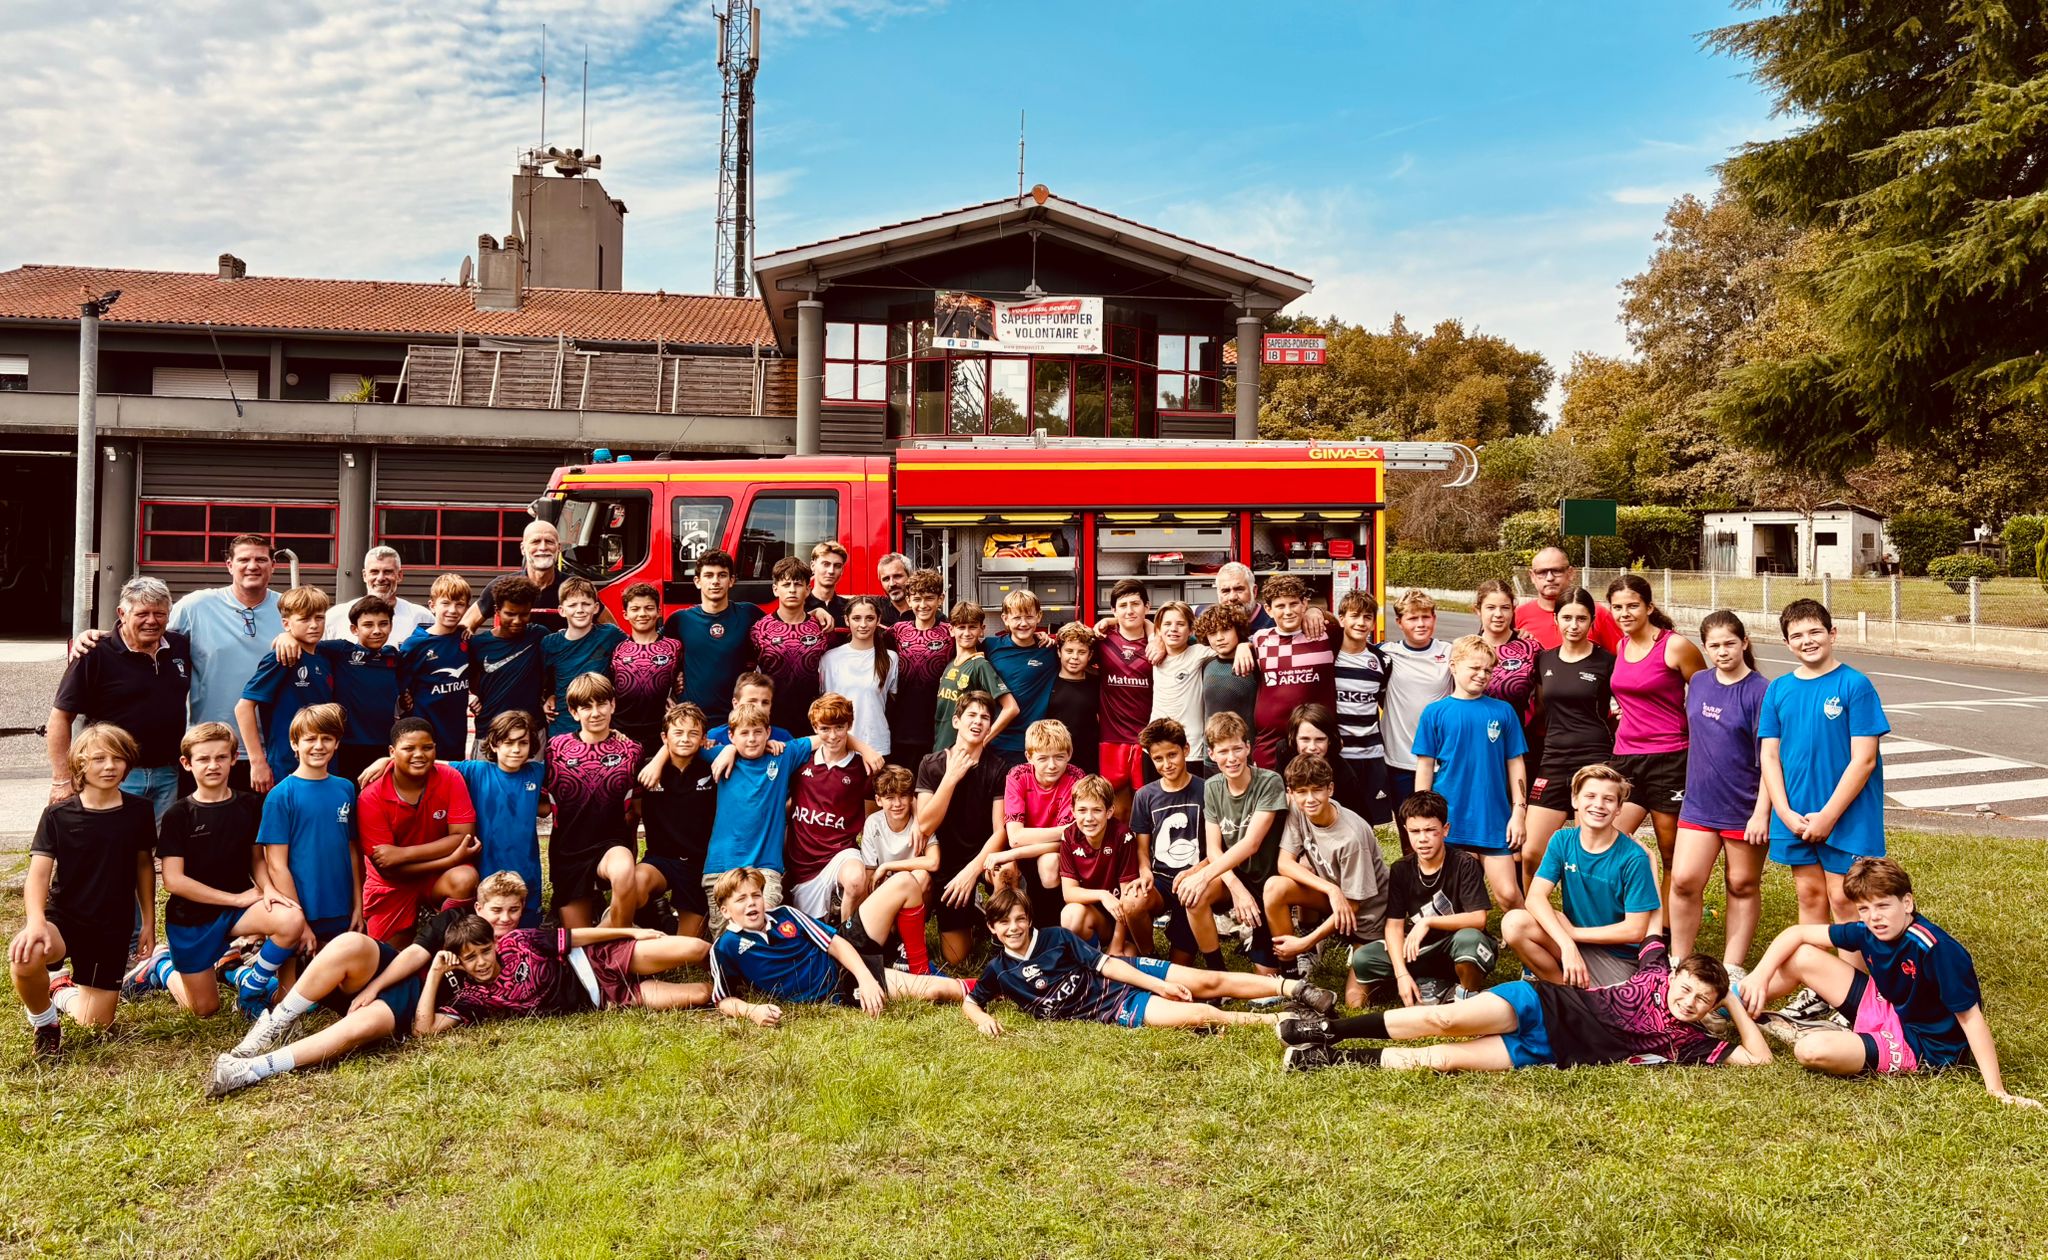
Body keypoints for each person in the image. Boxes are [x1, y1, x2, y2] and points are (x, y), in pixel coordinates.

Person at [1741, 858, 2036, 1105]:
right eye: (1865, 909)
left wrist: (1996, 1091)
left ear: (1907, 903)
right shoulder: (1868, 930)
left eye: (1883, 906)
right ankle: (1732, 1008)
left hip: (1922, 1044)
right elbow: (1797, 934)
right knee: (1803, 956)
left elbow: (1971, 1018)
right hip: (1888, 1008)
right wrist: (1758, 976)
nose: (1874, 918)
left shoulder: (1935, 949)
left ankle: (1818, 1033)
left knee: (1810, 1050)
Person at [204, 874, 528, 1096]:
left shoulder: (519, 951)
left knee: (364, 1024)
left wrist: (435, 977)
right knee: (350, 943)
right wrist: (374, 986)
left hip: (412, 1003)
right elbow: (414, 953)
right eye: (496, 910)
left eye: (513, 911)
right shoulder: (456, 921)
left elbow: (427, 1027)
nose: (504, 918)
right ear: (478, 908)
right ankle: (276, 1024)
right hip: (390, 973)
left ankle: (252, 1069)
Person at [1276, 938, 1766, 1074]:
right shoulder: (1656, 972)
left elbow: (1760, 1060)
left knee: (1443, 1059)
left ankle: (1328, 1058)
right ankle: (1331, 1028)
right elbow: (1652, 931)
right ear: (1675, 976)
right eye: (1688, 989)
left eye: (1702, 1001)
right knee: (1444, 1018)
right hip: (1540, 1004)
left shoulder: (1693, 1041)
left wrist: (1734, 1004)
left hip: (1550, 1052)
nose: (1688, 1001)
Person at [1759, 597, 1888, 1022]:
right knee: (1810, 897)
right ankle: (1818, 988)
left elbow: (1863, 759)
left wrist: (1829, 815)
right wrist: (1783, 810)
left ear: (1832, 634)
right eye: (1797, 635)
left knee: (1844, 900)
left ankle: (1856, 1000)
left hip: (1845, 817)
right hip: (1794, 817)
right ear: (1786, 644)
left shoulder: (1854, 685)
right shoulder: (1779, 689)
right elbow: (1770, 757)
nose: (1807, 640)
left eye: (1815, 631)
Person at [963, 887, 1327, 1037]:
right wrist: (982, 1019)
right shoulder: (999, 970)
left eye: (1020, 919)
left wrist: (1159, 984)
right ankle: (1283, 1021)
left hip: (1130, 975)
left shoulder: (1056, 937)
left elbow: (1107, 964)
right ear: (993, 929)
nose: (1014, 928)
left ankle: (1295, 988)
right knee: (1200, 1015)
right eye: (1005, 923)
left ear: (1029, 919)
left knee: (1208, 981)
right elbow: (971, 1000)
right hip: (1114, 1007)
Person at [125, 723, 304, 1019]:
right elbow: (174, 881)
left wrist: (269, 889)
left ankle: (252, 988)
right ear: (187, 763)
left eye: (221, 757)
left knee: (291, 919)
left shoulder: (249, 804)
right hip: (192, 919)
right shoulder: (178, 814)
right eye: (203, 759)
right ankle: (162, 967)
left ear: (234, 759)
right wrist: (234, 899)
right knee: (204, 1009)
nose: (213, 765)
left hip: (239, 911)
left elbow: (257, 860)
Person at [9, 724, 156, 1055]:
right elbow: (38, 875)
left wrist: (149, 921)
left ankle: (59, 988)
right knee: (25, 955)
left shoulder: (139, 811)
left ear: (128, 762)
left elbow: (144, 866)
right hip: (64, 919)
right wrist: (35, 922)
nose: (109, 766)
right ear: (80, 764)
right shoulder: (57, 815)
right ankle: (45, 1023)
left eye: (117, 758)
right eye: (99, 758)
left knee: (96, 1024)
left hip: (111, 928)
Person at [707, 867, 964, 1024]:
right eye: (741, 899)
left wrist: (866, 978)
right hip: (839, 983)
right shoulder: (724, 948)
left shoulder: (785, 914)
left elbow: (835, 943)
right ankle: (994, 985)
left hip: (847, 950)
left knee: (906, 882)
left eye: (756, 895)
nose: (751, 903)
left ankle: (918, 966)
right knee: (937, 991)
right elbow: (723, 999)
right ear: (725, 911)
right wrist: (752, 1011)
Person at [1669, 610, 1771, 967]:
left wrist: (1762, 814)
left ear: (1745, 643)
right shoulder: (1697, 681)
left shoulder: (1761, 691)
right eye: (1714, 645)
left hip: (1743, 808)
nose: (1723, 651)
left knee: (1741, 884)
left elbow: (1772, 760)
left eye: (1730, 643)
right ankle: (1678, 960)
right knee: (1683, 881)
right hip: (1698, 804)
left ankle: (1733, 967)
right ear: (1705, 648)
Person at [1502, 765, 1659, 987]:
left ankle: (1587, 999)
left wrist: (1574, 934)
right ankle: (1567, 995)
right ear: (1575, 800)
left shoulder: (1633, 857)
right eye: (1590, 796)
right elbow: (1535, 897)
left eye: (1608, 799)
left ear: (1619, 808)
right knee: (1514, 922)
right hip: (1574, 945)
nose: (1598, 805)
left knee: (1618, 1014)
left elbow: (1634, 930)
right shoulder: (1562, 840)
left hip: (1618, 959)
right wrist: (1567, 944)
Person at [48, 575, 191, 817]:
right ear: (122, 614)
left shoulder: (179, 645)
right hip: (114, 773)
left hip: (169, 773)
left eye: (159, 614)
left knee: (161, 850)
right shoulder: (94, 653)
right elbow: (60, 718)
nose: (151, 621)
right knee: (114, 846)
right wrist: (62, 778)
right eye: (142, 614)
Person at [1606, 572, 1706, 909]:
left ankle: (1665, 930)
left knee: (1671, 852)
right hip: (1625, 758)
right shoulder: (1621, 645)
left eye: (1632, 606)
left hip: (1670, 757)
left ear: (1649, 607)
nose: (1625, 613)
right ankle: (1626, 916)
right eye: (1617, 607)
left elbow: (1707, 694)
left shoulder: (1674, 645)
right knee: (1608, 838)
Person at [425, 917, 710, 1032]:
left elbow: (573, 937)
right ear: (459, 962)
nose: (481, 962)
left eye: (485, 951)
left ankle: (747, 968)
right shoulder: (475, 997)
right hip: (611, 998)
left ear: (495, 944)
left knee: (696, 948)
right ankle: (729, 989)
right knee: (700, 994)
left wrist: (630, 932)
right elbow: (423, 1030)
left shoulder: (517, 940)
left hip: (602, 960)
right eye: (470, 958)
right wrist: (435, 973)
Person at [1413, 636, 1530, 911]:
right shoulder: (1435, 712)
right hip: (1450, 815)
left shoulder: (1503, 711)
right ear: (1453, 666)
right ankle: (1466, 938)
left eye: (1488, 670)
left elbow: (1516, 764)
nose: (1482, 675)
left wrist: (1519, 812)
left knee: (1508, 894)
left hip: (1492, 816)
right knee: (1452, 897)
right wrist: (1422, 811)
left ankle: (1532, 935)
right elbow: (1425, 765)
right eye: (1475, 668)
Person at [1350, 791, 1498, 1006]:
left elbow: (1478, 919)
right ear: (1405, 831)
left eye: (1430, 830)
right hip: (1419, 951)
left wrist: (1428, 922)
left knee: (1471, 940)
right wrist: (1401, 974)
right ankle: (1425, 984)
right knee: (1364, 957)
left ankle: (1467, 998)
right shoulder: (1401, 869)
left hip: (1455, 947)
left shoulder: (1464, 863)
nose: (1423, 839)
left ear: (1445, 830)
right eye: (1415, 831)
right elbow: (1393, 926)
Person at [164, 535, 285, 791]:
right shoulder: (195, 607)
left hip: (273, 751)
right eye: (244, 559)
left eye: (261, 559)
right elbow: (151, 638)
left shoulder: (289, 610)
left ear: (273, 565)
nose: (252, 566)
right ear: (229, 565)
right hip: (210, 751)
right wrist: (101, 636)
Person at [1264, 753, 1388, 999]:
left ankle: (1380, 960)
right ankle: (1293, 979)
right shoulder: (1299, 810)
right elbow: (1284, 863)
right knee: (1274, 887)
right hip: (1337, 899)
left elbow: (1353, 905)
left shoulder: (1351, 836)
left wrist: (1305, 942)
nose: (1309, 799)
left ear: (1330, 789)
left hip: (1366, 917)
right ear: (1291, 792)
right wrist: (1331, 890)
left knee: (1355, 1001)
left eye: (1316, 790)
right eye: (1301, 792)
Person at [355, 715, 480, 947]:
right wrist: (451, 857)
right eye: (409, 748)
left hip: (436, 877)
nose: (419, 754)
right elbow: (389, 870)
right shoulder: (371, 795)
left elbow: (463, 836)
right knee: (388, 958)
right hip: (392, 884)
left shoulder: (451, 778)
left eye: (427, 747)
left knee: (465, 878)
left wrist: (403, 854)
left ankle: (447, 943)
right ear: (392, 751)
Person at [1522, 586, 1616, 883]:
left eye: (1581, 619)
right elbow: (1537, 708)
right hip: (1553, 759)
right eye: (1567, 618)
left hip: (1595, 761)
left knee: (1593, 852)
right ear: (1556, 620)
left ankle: (1595, 919)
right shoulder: (1544, 660)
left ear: (1592, 622)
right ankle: (1529, 920)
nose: (1573, 626)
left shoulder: (1607, 662)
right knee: (1531, 852)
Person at [915, 691, 1010, 967]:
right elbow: (925, 823)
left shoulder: (998, 767)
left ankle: (999, 940)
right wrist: (951, 778)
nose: (978, 722)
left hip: (982, 861)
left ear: (990, 727)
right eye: (972, 715)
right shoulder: (931, 764)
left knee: (1006, 871)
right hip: (945, 866)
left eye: (985, 717)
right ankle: (978, 914)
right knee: (956, 959)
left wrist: (972, 871)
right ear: (956, 721)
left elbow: (1000, 831)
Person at [701, 701, 814, 929]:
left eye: (758, 732)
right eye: (744, 733)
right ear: (731, 736)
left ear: (768, 732)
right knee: (728, 940)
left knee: (762, 924)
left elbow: (823, 737)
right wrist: (729, 749)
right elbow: (684, 744)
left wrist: (864, 748)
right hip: (721, 866)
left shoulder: (782, 757)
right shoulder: (720, 757)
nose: (751, 739)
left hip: (764, 867)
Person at [1189, 710, 1287, 974]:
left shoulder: (1269, 782)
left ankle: (1281, 949)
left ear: (1248, 747)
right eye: (1222, 751)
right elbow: (1213, 847)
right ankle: (1217, 971)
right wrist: (1235, 887)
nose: (1231, 758)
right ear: (1211, 754)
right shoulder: (1212, 786)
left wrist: (1205, 873)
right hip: (1234, 875)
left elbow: (1251, 843)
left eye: (1236, 749)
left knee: (1266, 974)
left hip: (1267, 878)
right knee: (1193, 897)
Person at [268, 594, 403, 784]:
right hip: (345, 746)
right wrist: (286, 636)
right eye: (368, 625)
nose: (377, 630)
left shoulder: (394, 657)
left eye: (383, 624)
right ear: (354, 629)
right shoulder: (340, 651)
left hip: (383, 746)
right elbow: (307, 642)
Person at [257, 704, 362, 948]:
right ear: (294, 743)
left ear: (337, 744)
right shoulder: (281, 795)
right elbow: (276, 864)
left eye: (327, 739)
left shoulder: (345, 788)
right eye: (310, 739)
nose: (319, 746)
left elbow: (352, 850)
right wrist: (299, 922)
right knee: (290, 983)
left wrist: (358, 904)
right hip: (301, 908)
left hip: (340, 907)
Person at [615, 702, 718, 939]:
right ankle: (613, 937)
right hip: (660, 859)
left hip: (697, 865)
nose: (685, 739)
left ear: (704, 738)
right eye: (678, 733)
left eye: (693, 734)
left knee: (686, 942)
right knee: (633, 886)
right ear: (664, 737)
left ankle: (662, 921)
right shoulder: (649, 770)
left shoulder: (712, 768)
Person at [544, 673, 639, 927]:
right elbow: (540, 801)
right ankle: (600, 920)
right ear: (574, 712)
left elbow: (639, 806)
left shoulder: (631, 751)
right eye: (586, 706)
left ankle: (621, 936)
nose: (595, 713)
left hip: (611, 846)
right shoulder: (555, 749)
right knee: (581, 946)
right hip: (568, 852)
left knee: (623, 869)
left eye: (601, 704)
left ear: (613, 705)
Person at [449, 710, 548, 928]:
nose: (515, 749)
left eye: (522, 742)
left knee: (526, 935)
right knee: (488, 931)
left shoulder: (537, 772)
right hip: (486, 871)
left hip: (526, 870)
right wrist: (386, 761)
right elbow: (429, 763)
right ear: (494, 744)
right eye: (508, 742)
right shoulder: (476, 771)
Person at [782, 693, 875, 923]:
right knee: (811, 930)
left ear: (849, 726)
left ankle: (849, 935)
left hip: (840, 852)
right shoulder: (801, 760)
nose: (833, 736)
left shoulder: (861, 766)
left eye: (839, 727)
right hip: (802, 861)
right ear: (815, 727)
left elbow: (871, 814)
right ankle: (829, 914)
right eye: (825, 728)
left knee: (855, 880)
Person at [236, 584, 335, 794]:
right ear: (286, 623)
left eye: (319, 618)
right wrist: (257, 762)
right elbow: (243, 707)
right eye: (305, 619)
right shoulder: (281, 657)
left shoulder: (326, 657)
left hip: (323, 759)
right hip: (286, 763)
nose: (314, 625)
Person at [1131, 718, 1213, 968]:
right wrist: (1145, 871)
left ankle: (1185, 937)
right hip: (1162, 880)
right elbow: (1142, 850)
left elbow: (1218, 849)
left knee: (1180, 964)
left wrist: (1198, 872)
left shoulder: (1207, 790)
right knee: (1132, 903)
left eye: (1172, 755)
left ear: (1186, 750)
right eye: (1158, 759)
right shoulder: (1145, 796)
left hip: (1196, 879)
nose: (1166, 764)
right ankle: (1149, 956)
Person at [1054, 773, 1155, 955]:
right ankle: (1092, 955)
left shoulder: (1122, 836)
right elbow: (1069, 893)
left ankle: (1118, 950)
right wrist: (1102, 895)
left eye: (1097, 810)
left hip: (1121, 921)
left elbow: (1126, 895)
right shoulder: (1069, 836)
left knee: (1126, 958)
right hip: (1095, 915)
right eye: (1082, 810)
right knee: (1070, 915)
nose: (1089, 818)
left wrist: (1116, 946)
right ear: (1073, 811)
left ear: (1109, 812)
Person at [663, 547, 766, 717]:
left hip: (738, 718)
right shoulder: (680, 620)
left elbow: (783, 626)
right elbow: (655, 651)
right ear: (697, 581)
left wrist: (814, 613)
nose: (715, 581)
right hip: (693, 718)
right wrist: (671, 683)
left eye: (722, 575)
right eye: (709, 575)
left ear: (731, 580)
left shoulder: (749, 614)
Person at [1249, 574, 1337, 771]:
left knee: (1313, 798)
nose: (1288, 612)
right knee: (1273, 800)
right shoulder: (1258, 640)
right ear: (1268, 610)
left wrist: (1318, 611)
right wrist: (1241, 647)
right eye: (1280, 606)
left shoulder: (1325, 634)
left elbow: (1345, 628)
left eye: (1293, 604)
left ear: (1304, 604)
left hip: (1314, 743)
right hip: (1269, 745)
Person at [859, 764, 936, 971]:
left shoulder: (919, 823)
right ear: (878, 800)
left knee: (921, 876)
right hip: (888, 896)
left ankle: (909, 946)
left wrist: (888, 866)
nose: (897, 804)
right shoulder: (873, 823)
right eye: (889, 798)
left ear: (912, 798)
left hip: (916, 898)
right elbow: (870, 876)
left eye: (903, 796)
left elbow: (933, 862)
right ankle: (888, 940)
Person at [1379, 589, 1452, 805]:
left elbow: (1485, 648)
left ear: (1434, 618)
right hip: (1399, 759)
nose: (1420, 624)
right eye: (1412, 618)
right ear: (1399, 622)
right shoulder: (1386, 653)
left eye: (1425, 617)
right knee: (1408, 826)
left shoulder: (1450, 652)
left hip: (1441, 760)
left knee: (1441, 825)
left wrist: (1520, 633)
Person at [752, 556, 836, 736]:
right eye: (786, 584)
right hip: (771, 721)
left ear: (807, 590)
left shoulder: (822, 628)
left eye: (798, 584)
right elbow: (749, 677)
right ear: (775, 589)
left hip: (814, 721)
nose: (792, 590)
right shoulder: (759, 629)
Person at [465, 576, 547, 757]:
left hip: (530, 735)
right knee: (484, 785)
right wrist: (475, 698)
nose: (517, 620)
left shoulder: (539, 636)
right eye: (510, 614)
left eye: (523, 614)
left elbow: (553, 672)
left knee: (529, 786)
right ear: (497, 610)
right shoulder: (478, 644)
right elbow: (472, 684)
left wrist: (551, 696)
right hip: (489, 731)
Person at [397, 574, 475, 759]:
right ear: (432, 605)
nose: (452, 610)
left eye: (459, 604)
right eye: (445, 603)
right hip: (423, 732)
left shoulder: (466, 640)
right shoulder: (415, 645)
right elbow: (398, 682)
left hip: (455, 734)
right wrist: (403, 697)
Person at [1331, 590, 1391, 826]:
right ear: (1342, 618)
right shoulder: (1329, 656)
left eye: (1367, 617)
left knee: (1368, 824)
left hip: (1371, 755)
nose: (1361, 622)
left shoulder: (1382, 660)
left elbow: (1384, 701)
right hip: (1339, 756)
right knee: (1337, 821)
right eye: (1355, 615)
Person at [1096, 579, 1156, 816]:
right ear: (1113, 610)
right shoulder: (1101, 641)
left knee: (1148, 808)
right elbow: (1068, 644)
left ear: (1147, 607)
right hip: (1112, 739)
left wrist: (1154, 633)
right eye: (1122, 605)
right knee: (1118, 811)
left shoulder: (1161, 642)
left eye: (1135, 604)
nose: (1129, 610)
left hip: (1148, 741)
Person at [883, 569, 953, 769]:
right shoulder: (897, 631)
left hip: (937, 726)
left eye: (929, 598)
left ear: (941, 599)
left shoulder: (951, 632)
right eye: (917, 599)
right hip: (900, 726)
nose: (923, 605)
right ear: (909, 599)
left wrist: (1038, 637)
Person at [541, 577, 626, 740]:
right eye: (572, 605)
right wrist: (546, 698)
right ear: (561, 610)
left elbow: (637, 652)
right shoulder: (549, 644)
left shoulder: (610, 634)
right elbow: (542, 681)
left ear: (595, 608)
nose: (580, 610)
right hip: (563, 727)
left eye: (586, 604)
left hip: (601, 725)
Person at [984, 590, 1061, 770]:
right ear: (1005, 618)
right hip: (996, 742)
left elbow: (1083, 641)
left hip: (1032, 746)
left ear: (1039, 616)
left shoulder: (1050, 651)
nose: (1023, 623)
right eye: (1017, 617)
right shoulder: (990, 646)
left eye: (1029, 617)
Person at [466, 519, 581, 633]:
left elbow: (599, 626)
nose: (543, 547)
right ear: (522, 549)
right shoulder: (502, 586)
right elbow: (466, 625)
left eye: (549, 542)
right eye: (535, 542)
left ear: (559, 548)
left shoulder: (576, 587)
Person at [609, 582, 684, 757]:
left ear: (658, 611)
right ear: (625, 614)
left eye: (649, 608)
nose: (642, 614)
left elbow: (684, 677)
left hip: (661, 731)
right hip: (622, 732)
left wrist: (675, 692)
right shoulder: (615, 648)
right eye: (635, 609)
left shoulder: (675, 646)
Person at [932, 599, 1017, 753]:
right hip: (941, 747)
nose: (966, 633)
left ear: (982, 629)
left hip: (964, 752)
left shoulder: (980, 665)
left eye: (972, 627)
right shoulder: (950, 664)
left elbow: (1011, 708)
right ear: (951, 630)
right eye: (961, 627)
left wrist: (982, 741)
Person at [820, 595, 899, 757]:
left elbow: (892, 701)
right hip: (838, 743)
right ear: (847, 620)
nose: (863, 624)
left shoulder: (890, 658)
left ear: (878, 620)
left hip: (875, 743)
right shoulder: (829, 658)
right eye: (856, 618)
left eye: (869, 618)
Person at [1147, 600, 1216, 771]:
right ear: (1158, 630)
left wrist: (1245, 645)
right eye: (1167, 624)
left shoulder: (1199, 652)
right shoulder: (1154, 650)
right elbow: (1139, 619)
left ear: (1191, 630)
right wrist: (1108, 621)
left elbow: (1229, 647)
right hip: (1155, 745)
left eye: (1180, 624)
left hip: (1190, 747)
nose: (1173, 629)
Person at [1278, 704, 1372, 827]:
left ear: (1330, 740)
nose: (1312, 747)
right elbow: (1278, 792)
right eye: (1305, 739)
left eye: (1320, 739)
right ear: (1293, 738)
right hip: (1295, 823)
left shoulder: (1344, 775)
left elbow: (1362, 821)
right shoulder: (1284, 752)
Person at [1514, 547, 1622, 652]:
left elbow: (1621, 659)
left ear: (1570, 573)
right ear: (1532, 576)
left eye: (1557, 571)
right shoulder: (1518, 615)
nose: (1550, 578)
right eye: (1542, 572)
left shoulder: (1598, 613)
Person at [1192, 602, 1255, 775]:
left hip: (1244, 754)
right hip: (1213, 754)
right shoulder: (1206, 663)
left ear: (1237, 630)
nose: (1219, 637)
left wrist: (1246, 645)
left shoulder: (1253, 662)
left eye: (1226, 630)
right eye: (1212, 633)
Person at [324, 545, 431, 644]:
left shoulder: (421, 618)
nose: (380, 578)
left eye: (387, 572)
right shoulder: (336, 616)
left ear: (399, 575)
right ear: (364, 575)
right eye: (374, 572)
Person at [1474, 578, 1540, 726]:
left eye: (1505, 607)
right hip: (1473, 736)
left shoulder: (1531, 648)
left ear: (1513, 609)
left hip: (1518, 738)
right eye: (1490, 607)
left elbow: (1544, 699)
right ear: (1477, 610)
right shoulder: (1465, 649)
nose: (1498, 614)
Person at [1046, 621, 1101, 775]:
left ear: (1090, 655)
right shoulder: (1047, 681)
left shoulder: (1097, 683)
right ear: (1059, 651)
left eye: (1081, 652)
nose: (1074, 657)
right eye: (1069, 651)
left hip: (1088, 758)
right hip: (1054, 759)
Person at [803, 539, 851, 624]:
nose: (831, 571)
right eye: (826, 564)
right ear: (813, 566)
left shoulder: (850, 607)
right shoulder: (799, 605)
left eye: (837, 566)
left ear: (842, 570)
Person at [874, 551, 914, 625]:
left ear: (910, 576)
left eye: (897, 576)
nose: (892, 584)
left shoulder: (925, 611)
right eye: (886, 579)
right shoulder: (875, 606)